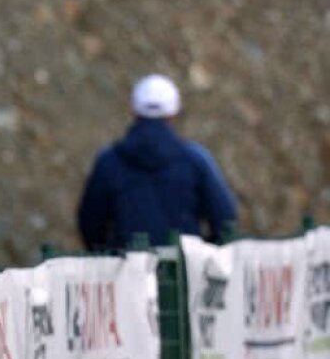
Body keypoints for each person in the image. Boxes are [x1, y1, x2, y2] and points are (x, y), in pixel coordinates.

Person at [77, 73, 237, 250]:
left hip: (128, 272)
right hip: (186, 270)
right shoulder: (195, 161)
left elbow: (90, 222)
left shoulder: (109, 162)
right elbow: (225, 220)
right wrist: (203, 253)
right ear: (173, 113)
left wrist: (110, 256)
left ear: (134, 110)